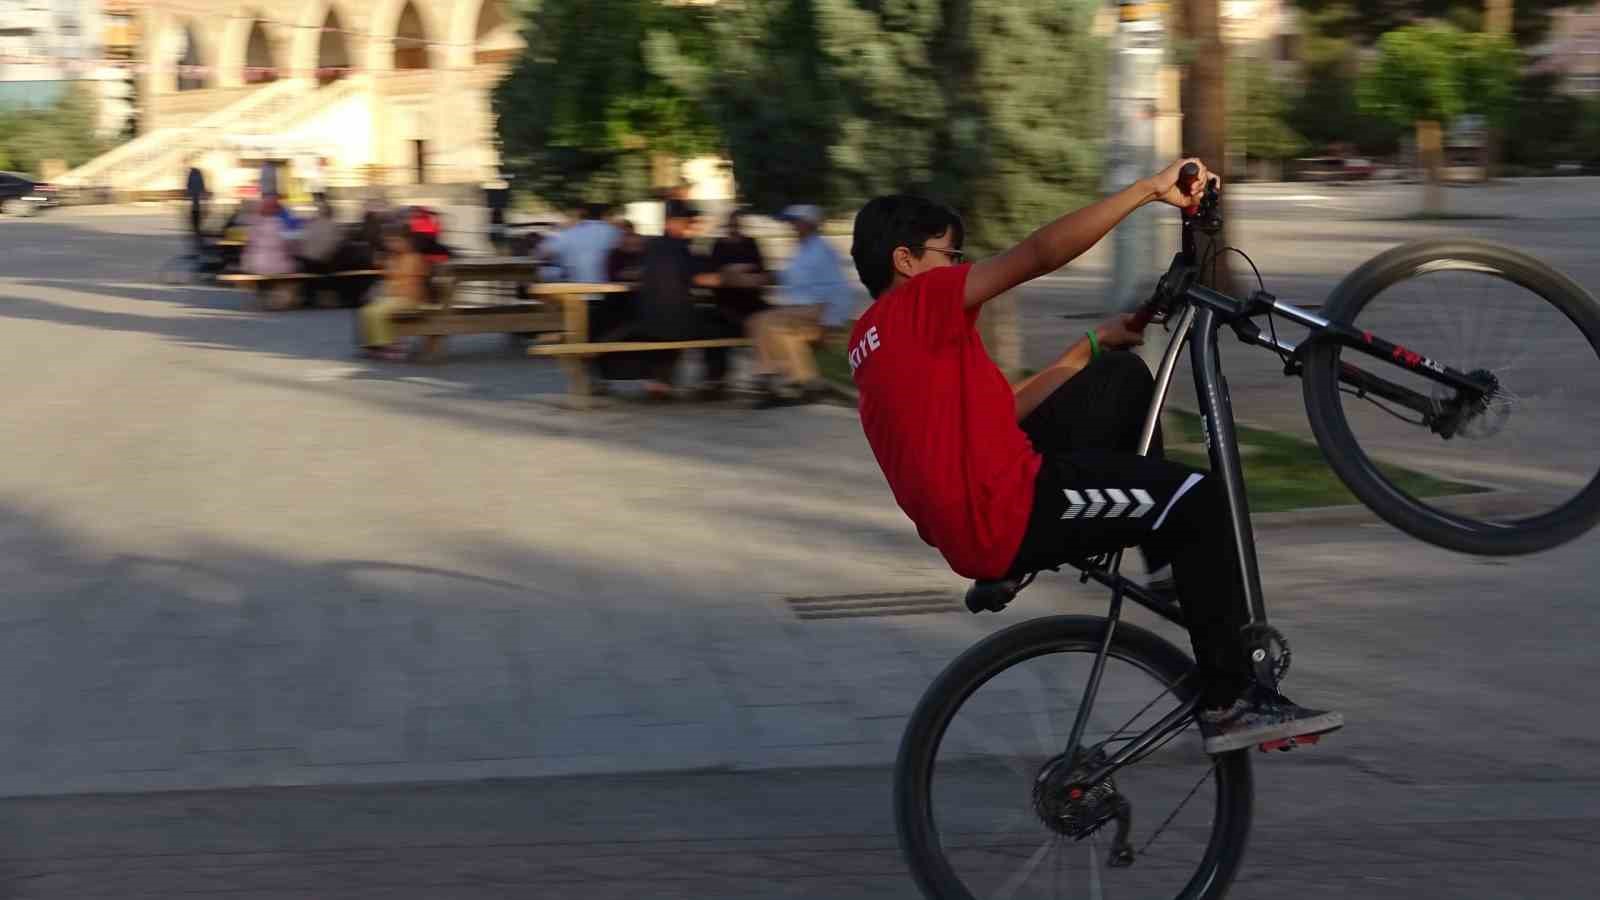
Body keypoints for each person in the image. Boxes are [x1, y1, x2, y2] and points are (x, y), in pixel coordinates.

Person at [845, 159, 1343, 755]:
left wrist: (1086, 347)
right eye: (950, 256)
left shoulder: (873, 337)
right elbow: (1038, 254)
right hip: (1008, 512)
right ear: (905, 261)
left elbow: (1001, 416)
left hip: (989, 506)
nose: (959, 268)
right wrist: (1145, 191)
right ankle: (1231, 701)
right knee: (1197, 500)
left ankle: (1159, 568)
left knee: (1121, 377)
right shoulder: (921, 303)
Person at [601, 199, 743, 401]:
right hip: (676, 325)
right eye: (688, 221)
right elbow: (705, 279)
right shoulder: (683, 248)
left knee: (672, 317)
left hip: (647, 322)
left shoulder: (651, 246)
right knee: (719, 326)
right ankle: (714, 381)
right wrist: (729, 276)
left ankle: (660, 382)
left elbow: (638, 274)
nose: (692, 225)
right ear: (671, 222)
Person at [748, 204, 852, 406]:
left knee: (771, 324)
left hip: (816, 310)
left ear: (809, 224)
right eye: (791, 223)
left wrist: (829, 323)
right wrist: (763, 278)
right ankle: (782, 379)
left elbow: (840, 289)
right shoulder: (801, 250)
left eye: (795, 223)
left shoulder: (823, 251)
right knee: (758, 322)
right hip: (797, 311)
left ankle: (789, 379)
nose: (791, 227)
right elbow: (788, 277)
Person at [360, 226, 429, 360]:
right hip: (394, 298)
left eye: (396, 241)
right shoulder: (394, 258)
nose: (392, 245)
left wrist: (392, 283)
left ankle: (387, 345)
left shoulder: (414, 258)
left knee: (377, 311)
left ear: (407, 241)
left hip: (410, 298)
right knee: (367, 311)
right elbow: (389, 276)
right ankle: (374, 344)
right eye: (389, 242)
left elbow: (412, 281)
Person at [541, 202, 621, 283]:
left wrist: (558, 229)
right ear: (604, 215)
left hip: (573, 287)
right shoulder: (614, 232)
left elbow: (544, 252)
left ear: (581, 214)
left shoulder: (569, 232)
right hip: (607, 287)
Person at [184, 161, 208, 252]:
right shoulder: (197, 173)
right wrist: (203, 189)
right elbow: (201, 182)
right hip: (196, 192)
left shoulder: (193, 174)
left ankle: (196, 225)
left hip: (195, 192)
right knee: (196, 205)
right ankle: (197, 225)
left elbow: (189, 183)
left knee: (195, 205)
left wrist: (188, 190)